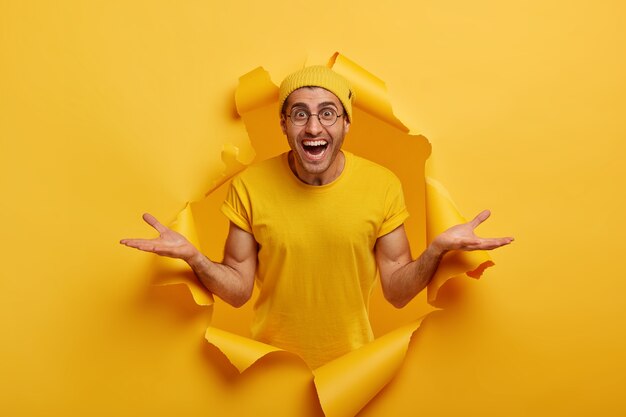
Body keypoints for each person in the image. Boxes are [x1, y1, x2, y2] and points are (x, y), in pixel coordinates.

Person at [121, 66, 513, 369]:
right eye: (299, 115)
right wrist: (194, 258)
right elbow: (238, 290)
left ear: (346, 123)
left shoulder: (382, 185)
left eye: (328, 113)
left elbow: (396, 291)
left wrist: (437, 250)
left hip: (353, 371)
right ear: (284, 125)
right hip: (270, 370)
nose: (313, 127)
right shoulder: (250, 186)